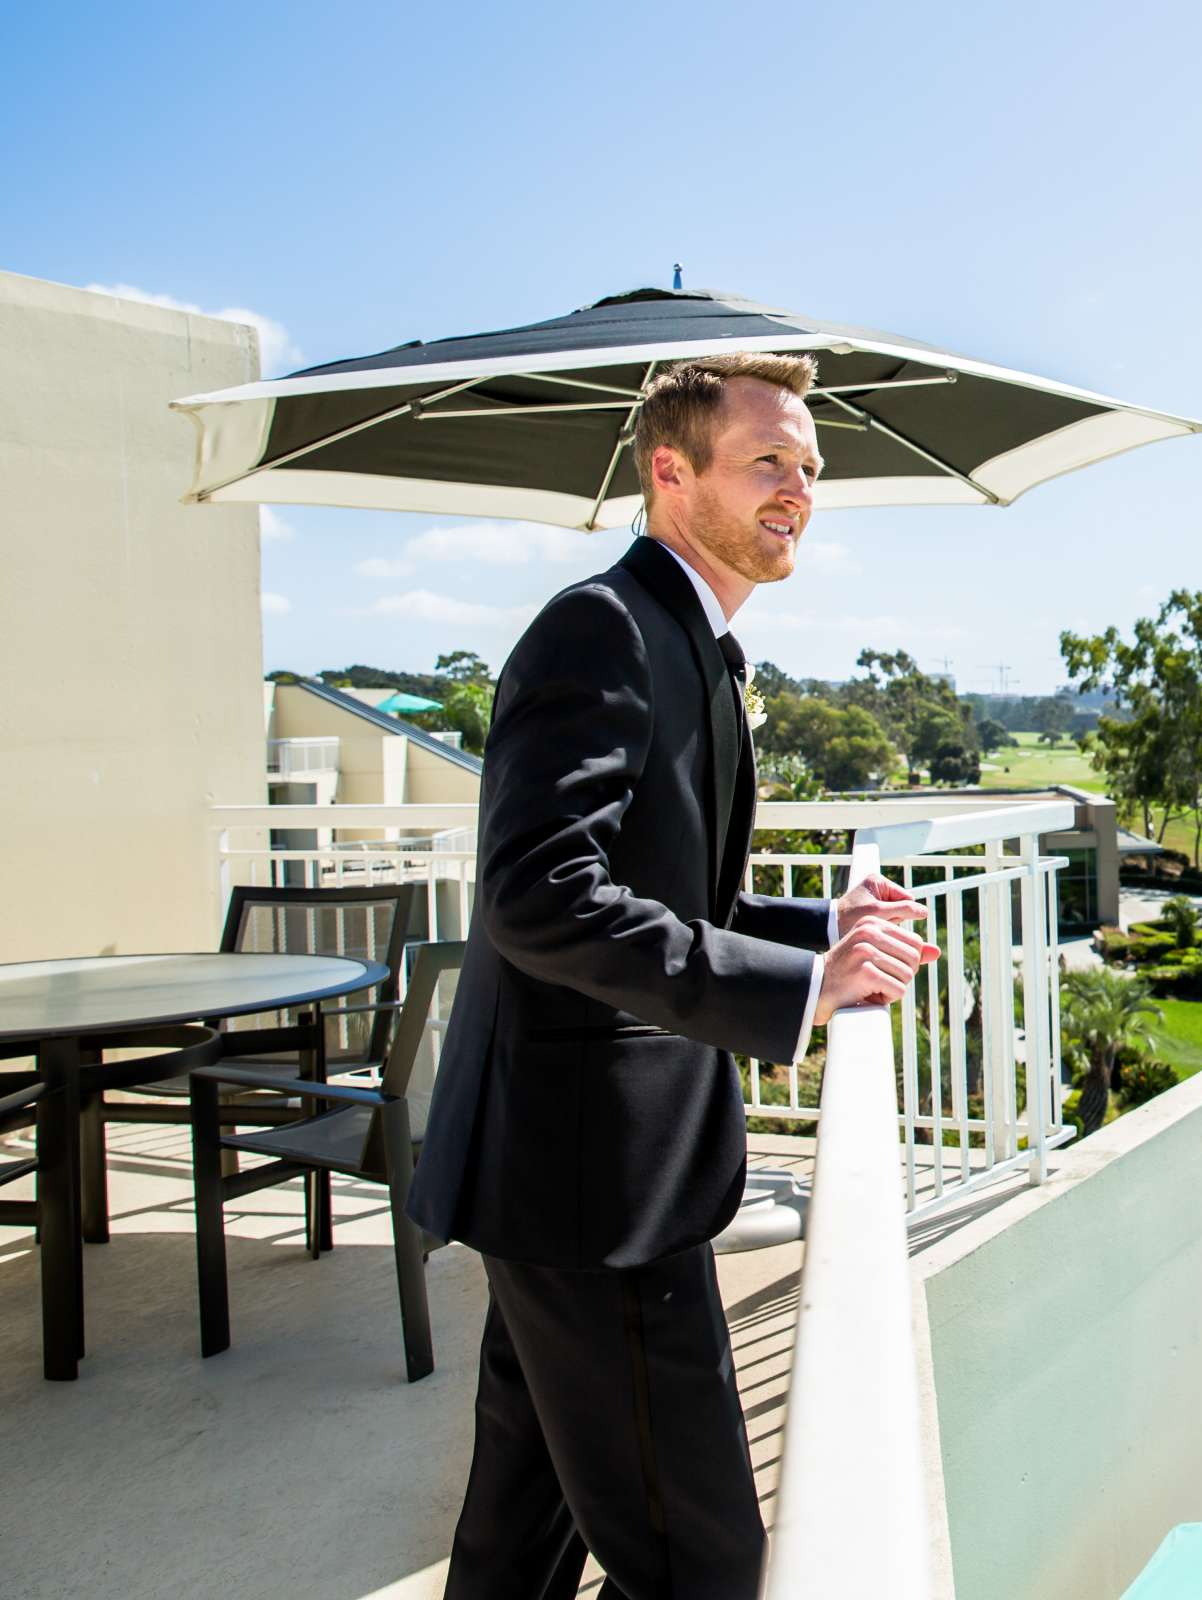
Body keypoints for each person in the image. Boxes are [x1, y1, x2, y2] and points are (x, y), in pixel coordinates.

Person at [407, 352, 938, 1599]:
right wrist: (799, 994)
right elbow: (541, 894)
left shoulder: (691, 643)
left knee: (512, 1546)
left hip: (579, 1179)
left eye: (808, 467)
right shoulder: (602, 627)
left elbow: (676, 895)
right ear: (669, 471)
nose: (798, 488)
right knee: (704, 1565)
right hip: (598, 1187)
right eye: (767, 460)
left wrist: (821, 931)